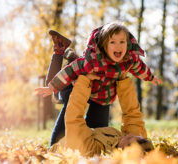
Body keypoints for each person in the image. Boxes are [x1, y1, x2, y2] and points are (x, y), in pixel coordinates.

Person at [35, 22, 163, 146]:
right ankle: (61, 51)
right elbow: (70, 71)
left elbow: (140, 67)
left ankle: (71, 57)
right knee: (62, 99)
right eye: (112, 42)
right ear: (104, 45)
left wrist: (150, 77)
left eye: (122, 42)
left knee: (97, 134)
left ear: (128, 43)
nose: (118, 46)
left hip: (101, 96)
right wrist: (51, 87)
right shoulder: (92, 60)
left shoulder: (129, 59)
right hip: (80, 84)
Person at [49, 74, 154, 157]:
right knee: (104, 96)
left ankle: (62, 92)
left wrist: (84, 80)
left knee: (71, 96)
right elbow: (133, 115)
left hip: (63, 140)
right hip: (94, 135)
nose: (130, 134)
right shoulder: (139, 143)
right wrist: (123, 80)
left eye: (130, 138)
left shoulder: (90, 151)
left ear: (122, 149)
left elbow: (74, 117)